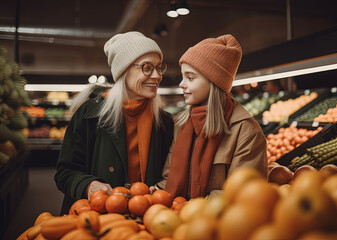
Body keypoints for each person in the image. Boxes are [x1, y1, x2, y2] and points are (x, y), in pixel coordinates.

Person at [54, 32, 174, 215]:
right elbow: (65, 173)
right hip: (95, 217)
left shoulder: (163, 121)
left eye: (159, 68)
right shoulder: (90, 115)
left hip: (146, 219)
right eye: (147, 68)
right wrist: (88, 185)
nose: (157, 75)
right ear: (124, 70)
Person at [156, 34, 267, 199]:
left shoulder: (247, 133)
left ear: (214, 82)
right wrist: (156, 192)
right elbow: (169, 178)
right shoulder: (182, 124)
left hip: (217, 221)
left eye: (190, 77)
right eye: (182, 76)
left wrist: (189, 208)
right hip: (177, 217)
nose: (181, 84)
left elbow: (240, 197)